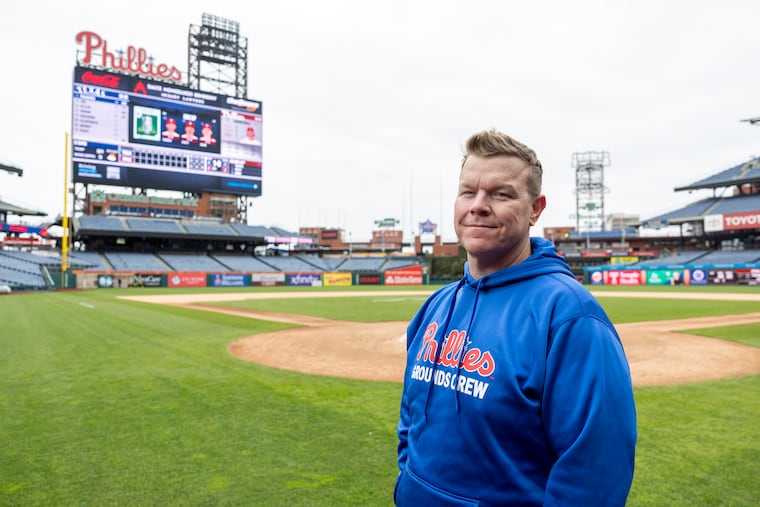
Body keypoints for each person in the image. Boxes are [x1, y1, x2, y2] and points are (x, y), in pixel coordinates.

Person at [395, 129, 637, 506]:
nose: (478, 205)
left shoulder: (570, 316)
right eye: (467, 191)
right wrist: (408, 481)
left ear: (535, 209)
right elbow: (410, 420)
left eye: (501, 193)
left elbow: (595, 471)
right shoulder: (435, 306)